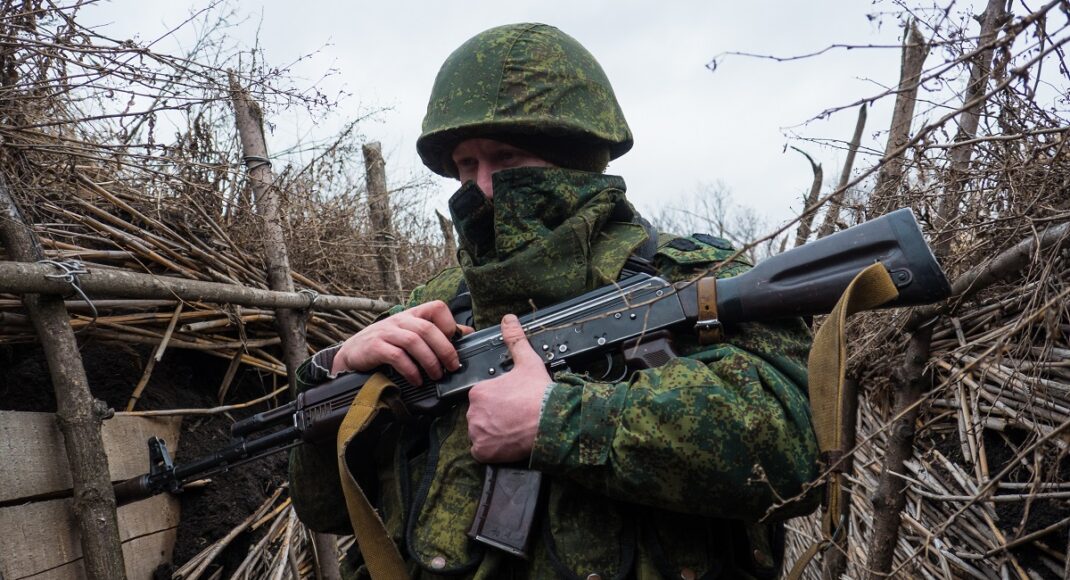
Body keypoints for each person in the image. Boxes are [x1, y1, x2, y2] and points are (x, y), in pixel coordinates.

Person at [290, 22, 819, 579]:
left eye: (507, 158)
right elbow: (326, 509)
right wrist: (334, 375)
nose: (484, 187)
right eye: (467, 165)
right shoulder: (439, 307)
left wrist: (560, 421)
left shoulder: (690, 278)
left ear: (575, 156)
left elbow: (795, 454)